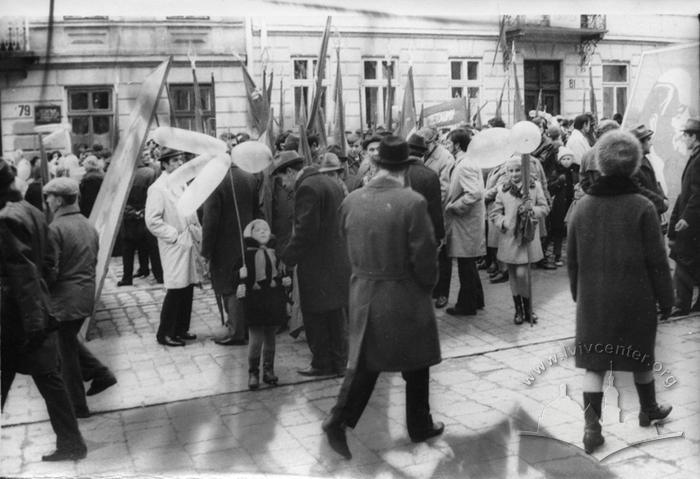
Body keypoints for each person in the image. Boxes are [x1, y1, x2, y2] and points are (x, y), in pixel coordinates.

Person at [322, 136, 443, 460]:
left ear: (375, 165)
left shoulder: (352, 199)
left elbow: (342, 238)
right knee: (417, 360)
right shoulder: (412, 201)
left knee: (365, 360)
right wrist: (427, 286)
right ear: (405, 168)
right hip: (403, 292)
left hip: (363, 289)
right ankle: (418, 423)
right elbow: (426, 258)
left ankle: (340, 419)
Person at [567, 130, 673, 454]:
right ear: (634, 164)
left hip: (594, 299)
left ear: (600, 163)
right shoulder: (643, 206)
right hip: (636, 298)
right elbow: (657, 260)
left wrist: (578, 294)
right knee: (640, 356)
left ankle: (591, 428)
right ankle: (648, 409)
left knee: (594, 365)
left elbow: (572, 259)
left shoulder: (583, 207)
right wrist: (666, 300)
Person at [0, 159, 87, 461]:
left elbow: (21, 276)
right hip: (36, 312)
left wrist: (33, 320)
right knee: (52, 382)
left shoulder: (6, 218)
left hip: (17, 319)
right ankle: (72, 444)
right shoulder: (34, 212)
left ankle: (72, 444)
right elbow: (49, 262)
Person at [43, 177, 117, 418]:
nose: (47, 201)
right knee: (66, 343)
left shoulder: (55, 228)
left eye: (49, 197)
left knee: (65, 355)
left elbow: (51, 270)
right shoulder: (87, 224)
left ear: (58, 200)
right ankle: (100, 373)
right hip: (84, 295)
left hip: (64, 300)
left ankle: (78, 406)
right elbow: (93, 260)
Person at [282, 157, 350, 378]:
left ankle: (321, 363)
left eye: (282, 178)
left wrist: (288, 257)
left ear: (291, 172)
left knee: (315, 315)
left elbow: (305, 231)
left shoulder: (307, 188)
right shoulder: (328, 181)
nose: (283, 184)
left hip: (317, 264)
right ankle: (339, 363)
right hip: (336, 260)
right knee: (335, 315)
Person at [201, 146, 261, 346]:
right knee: (244, 283)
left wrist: (206, 251)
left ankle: (236, 331)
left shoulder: (215, 180)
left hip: (223, 246)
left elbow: (210, 220)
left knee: (229, 287)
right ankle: (244, 327)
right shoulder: (249, 177)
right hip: (247, 242)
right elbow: (256, 211)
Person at [145, 148, 203, 347]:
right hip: (175, 244)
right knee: (176, 288)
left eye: (181, 160)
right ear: (165, 164)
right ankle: (165, 332)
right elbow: (152, 221)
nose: (180, 164)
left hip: (188, 241)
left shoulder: (180, 183)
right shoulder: (158, 188)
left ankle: (181, 328)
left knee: (187, 287)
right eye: (176, 161)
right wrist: (174, 236)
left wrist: (195, 230)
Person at [490, 156, 550, 324]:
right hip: (509, 238)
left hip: (526, 238)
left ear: (524, 170)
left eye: (517, 170)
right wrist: (503, 221)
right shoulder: (502, 189)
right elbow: (495, 213)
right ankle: (518, 310)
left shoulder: (534, 187)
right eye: (511, 171)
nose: (514, 174)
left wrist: (533, 210)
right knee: (513, 275)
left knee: (523, 274)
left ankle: (529, 308)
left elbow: (545, 207)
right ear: (506, 172)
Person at [235, 220, 290, 390]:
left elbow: (279, 273)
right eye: (257, 230)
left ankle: (268, 370)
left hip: (272, 300)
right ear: (249, 234)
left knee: (271, 337)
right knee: (256, 338)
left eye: (265, 229)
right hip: (255, 302)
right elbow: (236, 278)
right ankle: (253, 372)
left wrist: (285, 280)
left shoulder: (274, 253)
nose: (262, 232)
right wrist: (240, 276)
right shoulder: (246, 255)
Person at [443, 129, 485, 316]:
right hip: (466, 223)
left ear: (457, 145)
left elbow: (474, 193)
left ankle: (466, 305)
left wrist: (453, 206)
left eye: (448, 142)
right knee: (468, 263)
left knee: (465, 265)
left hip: (466, 224)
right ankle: (476, 299)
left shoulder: (465, 164)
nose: (446, 146)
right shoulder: (464, 162)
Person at [668, 118, 700, 316]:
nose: (683, 139)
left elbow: (697, 192)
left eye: (685, 135)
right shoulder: (695, 156)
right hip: (693, 218)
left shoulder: (698, 159)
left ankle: (681, 304)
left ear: (693, 137)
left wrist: (686, 217)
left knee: (684, 260)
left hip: (693, 221)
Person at [118, 150, 162, 285]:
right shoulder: (150, 173)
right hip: (145, 212)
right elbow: (153, 194)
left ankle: (127, 277)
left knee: (128, 248)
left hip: (128, 215)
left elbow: (118, 198)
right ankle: (159, 275)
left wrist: (130, 211)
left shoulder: (123, 173)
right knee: (151, 246)